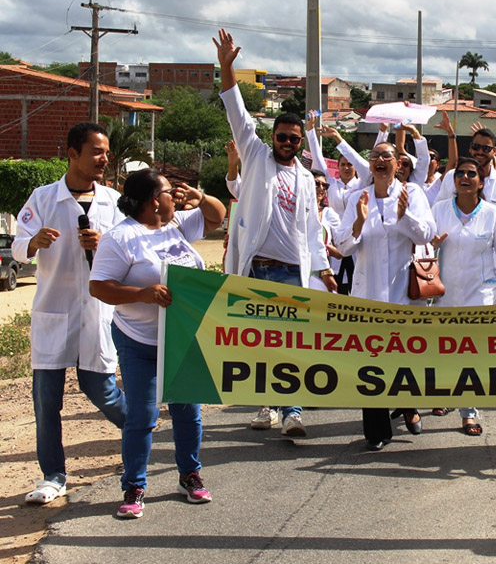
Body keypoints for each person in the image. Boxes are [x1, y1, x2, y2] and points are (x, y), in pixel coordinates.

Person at [215, 29, 335, 436]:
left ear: (301, 143)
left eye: (293, 139)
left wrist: (322, 270)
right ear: (272, 137)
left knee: (289, 345)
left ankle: (293, 411)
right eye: (281, 136)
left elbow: (311, 229)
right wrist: (226, 68)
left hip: (288, 271)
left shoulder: (305, 178)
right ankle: (269, 405)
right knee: (258, 344)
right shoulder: (254, 156)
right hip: (255, 269)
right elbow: (236, 112)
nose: (286, 142)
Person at [89, 169, 225, 518]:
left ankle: (189, 475)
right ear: (153, 201)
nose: (173, 197)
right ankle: (134, 485)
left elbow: (216, 216)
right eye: (168, 191)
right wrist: (143, 294)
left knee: (187, 413)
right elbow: (100, 286)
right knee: (143, 416)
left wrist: (201, 198)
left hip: (181, 338)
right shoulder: (120, 238)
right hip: (139, 340)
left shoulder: (176, 224)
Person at [12, 122, 128, 505]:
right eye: (96, 151)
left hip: (97, 314)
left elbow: (130, 251)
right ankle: (53, 476)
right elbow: (16, 246)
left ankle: (143, 440)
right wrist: (33, 242)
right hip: (54, 312)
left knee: (104, 392)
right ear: (72, 153)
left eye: (106, 151)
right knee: (46, 401)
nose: (104, 158)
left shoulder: (113, 201)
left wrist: (105, 243)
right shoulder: (44, 198)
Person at [336, 141, 436, 450]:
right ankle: (377, 431)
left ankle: (407, 404)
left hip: (400, 294)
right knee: (372, 362)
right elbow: (342, 247)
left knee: (402, 359)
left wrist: (405, 216)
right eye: (375, 155)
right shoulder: (356, 197)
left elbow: (426, 234)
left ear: (397, 164)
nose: (380, 160)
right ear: (370, 164)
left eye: (387, 156)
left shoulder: (412, 194)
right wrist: (358, 221)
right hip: (368, 296)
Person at [430, 157, 496, 435]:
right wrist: (432, 245)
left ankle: (469, 412)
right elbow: (423, 249)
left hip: (481, 294)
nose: (465, 177)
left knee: (472, 355)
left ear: (481, 181)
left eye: (471, 174)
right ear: (453, 181)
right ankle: (443, 395)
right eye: (460, 173)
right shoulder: (439, 210)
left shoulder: (493, 214)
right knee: (444, 351)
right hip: (445, 294)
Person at [437, 125, 496, 224]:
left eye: (486, 148)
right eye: (476, 147)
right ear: (470, 148)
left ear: (494, 151)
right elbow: (437, 211)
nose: (480, 152)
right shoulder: (451, 176)